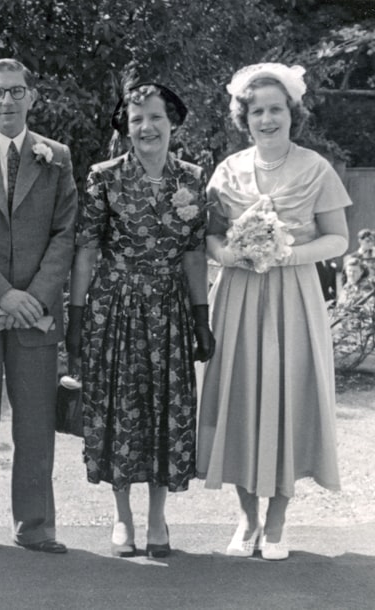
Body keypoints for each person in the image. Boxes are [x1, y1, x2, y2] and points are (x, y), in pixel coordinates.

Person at [197, 63, 351, 561]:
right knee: (240, 396)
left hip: (294, 297)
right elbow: (210, 237)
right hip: (239, 294)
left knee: (289, 396)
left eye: (276, 109)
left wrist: (286, 253)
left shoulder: (315, 168)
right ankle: (246, 518)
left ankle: (279, 520)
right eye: (257, 110)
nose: (267, 119)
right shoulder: (228, 170)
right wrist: (230, 254)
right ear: (244, 118)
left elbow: (338, 238)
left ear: (293, 113)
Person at [66, 80, 214, 558]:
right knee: (119, 408)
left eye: (156, 117)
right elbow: (86, 248)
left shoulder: (192, 177)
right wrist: (77, 314)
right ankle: (122, 516)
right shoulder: (103, 176)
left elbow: (193, 252)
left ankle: (157, 518)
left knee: (164, 411)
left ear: (172, 122)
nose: (147, 127)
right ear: (125, 128)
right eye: (137, 119)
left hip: (169, 308)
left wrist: (200, 317)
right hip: (116, 306)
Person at [0, 59, 77, 555]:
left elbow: (65, 234)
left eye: (16, 91)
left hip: (37, 314)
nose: (7, 101)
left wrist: (32, 300)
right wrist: (2, 295)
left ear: (32, 96)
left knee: (35, 422)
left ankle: (36, 524)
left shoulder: (57, 156)